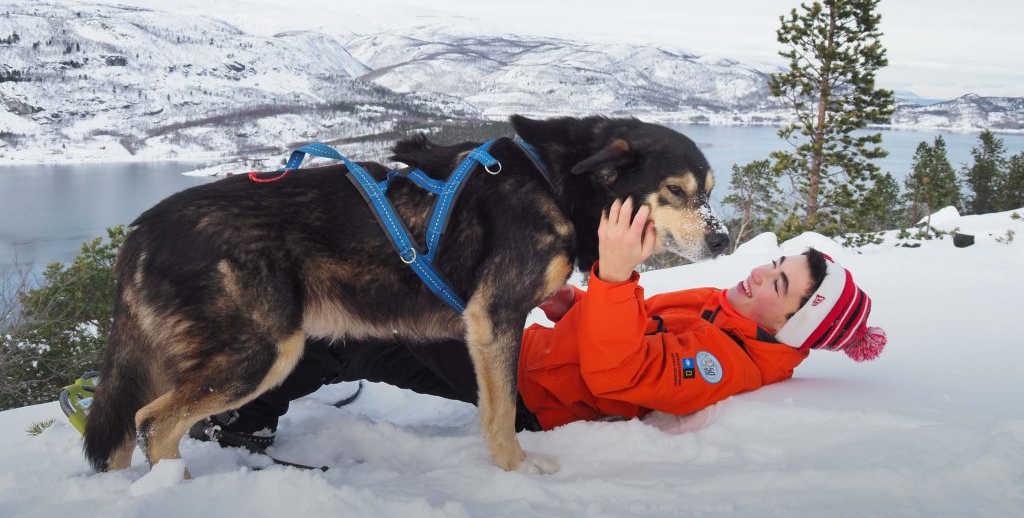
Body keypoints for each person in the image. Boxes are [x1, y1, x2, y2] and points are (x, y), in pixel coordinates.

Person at [189, 198, 887, 451]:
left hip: (531, 395)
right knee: (362, 338)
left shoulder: (728, 361)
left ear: (792, 324)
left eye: (779, 284)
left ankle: (238, 414)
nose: (761, 273)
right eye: (776, 264)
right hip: (534, 356)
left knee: (381, 317)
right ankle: (247, 401)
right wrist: (575, 303)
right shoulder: (727, 309)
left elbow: (621, 371)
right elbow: (630, 327)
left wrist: (614, 276)